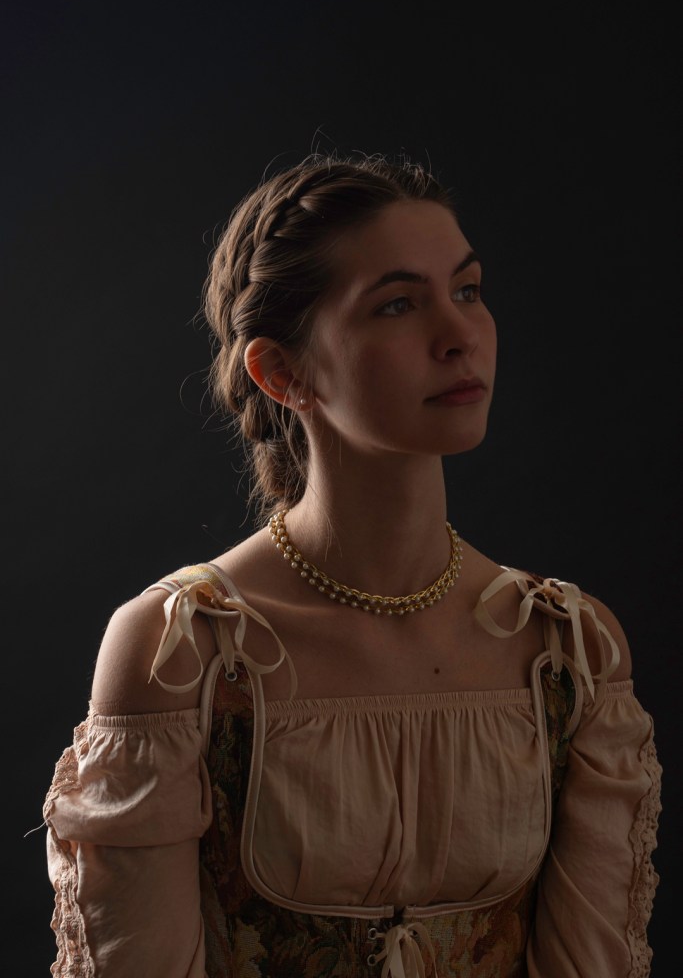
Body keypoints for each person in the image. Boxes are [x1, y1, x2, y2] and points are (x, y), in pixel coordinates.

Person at [44, 153, 662, 978]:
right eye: (399, 304)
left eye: (467, 290)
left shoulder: (565, 651)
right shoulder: (182, 650)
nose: (458, 335)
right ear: (282, 372)